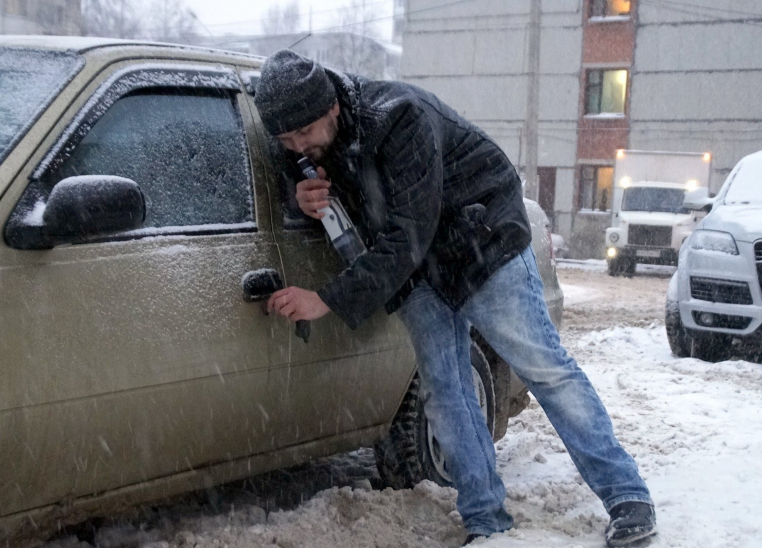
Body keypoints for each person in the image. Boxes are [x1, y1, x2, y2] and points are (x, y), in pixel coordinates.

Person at [255, 49, 656, 548]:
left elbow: (409, 235)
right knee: (446, 390)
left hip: (481, 244)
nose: (298, 146)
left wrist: (328, 300)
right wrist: (298, 186)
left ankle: (627, 497)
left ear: (333, 108)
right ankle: (486, 518)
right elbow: (290, 160)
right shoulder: (304, 136)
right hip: (415, 266)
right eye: (286, 139)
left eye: (305, 135)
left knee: (545, 370)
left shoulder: (399, 118)